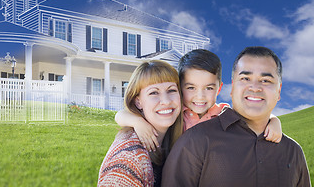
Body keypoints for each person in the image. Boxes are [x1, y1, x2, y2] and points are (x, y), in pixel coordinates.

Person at [161, 46, 311, 187]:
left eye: (265, 80)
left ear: (279, 91)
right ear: (232, 88)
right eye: (245, 78)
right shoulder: (194, 140)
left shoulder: (293, 152)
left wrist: (274, 119)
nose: (255, 87)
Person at [115, 49, 282, 152]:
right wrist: (138, 122)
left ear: (219, 87)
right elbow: (120, 115)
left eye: (209, 88)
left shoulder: (223, 113)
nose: (200, 97)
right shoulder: (175, 113)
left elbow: (252, 118)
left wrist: (274, 121)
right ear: (180, 87)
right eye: (191, 88)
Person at [98, 60, 183, 187]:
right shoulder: (128, 158)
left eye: (171, 90)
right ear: (138, 102)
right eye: (154, 92)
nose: (166, 101)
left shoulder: (176, 136)